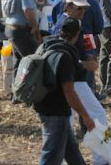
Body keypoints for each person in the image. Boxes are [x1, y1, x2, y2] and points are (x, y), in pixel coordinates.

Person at [34, 17, 94, 165]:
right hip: (56, 112)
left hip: (43, 105)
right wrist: (85, 116)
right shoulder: (65, 56)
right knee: (50, 157)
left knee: (71, 150)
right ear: (77, 34)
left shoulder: (46, 46)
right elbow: (69, 92)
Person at [3, 0, 41, 83]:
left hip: (10, 28)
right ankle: (28, 89)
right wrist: (35, 26)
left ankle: (16, 92)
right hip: (20, 29)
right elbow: (27, 10)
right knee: (32, 60)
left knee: (18, 60)